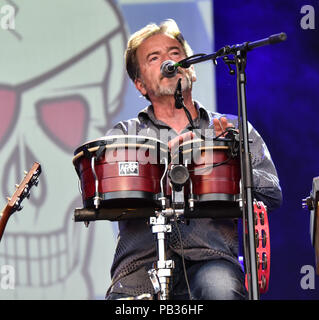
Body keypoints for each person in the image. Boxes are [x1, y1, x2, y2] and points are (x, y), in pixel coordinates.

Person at [105, 19, 282, 300]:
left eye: (176, 53)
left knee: (222, 289)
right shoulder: (124, 136)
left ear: (191, 68)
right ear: (140, 84)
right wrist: (169, 161)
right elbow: (107, 193)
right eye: (155, 57)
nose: (170, 61)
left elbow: (271, 193)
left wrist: (233, 156)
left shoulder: (234, 128)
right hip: (139, 268)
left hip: (212, 261)